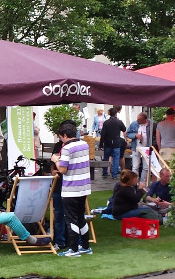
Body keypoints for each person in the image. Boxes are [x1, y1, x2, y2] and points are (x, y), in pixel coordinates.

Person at [53, 123, 91, 257]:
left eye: (61, 137)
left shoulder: (67, 148)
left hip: (71, 188)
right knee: (81, 217)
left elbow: (63, 170)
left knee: (71, 219)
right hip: (84, 186)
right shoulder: (84, 145)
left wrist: (56, 160)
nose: (61, 140)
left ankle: (74, 249)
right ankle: (85, 246)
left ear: (64, 136)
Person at [100, 108, 127, 179]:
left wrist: (101, 144)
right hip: (116, 142)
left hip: (108, 142)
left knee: (106, 158)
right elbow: (124, 129)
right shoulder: (119, 122)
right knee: (116, 158)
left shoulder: (106, 122)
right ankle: (114, 174)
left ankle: (105, 172)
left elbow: (103, 134)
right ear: (116, 114)